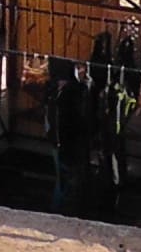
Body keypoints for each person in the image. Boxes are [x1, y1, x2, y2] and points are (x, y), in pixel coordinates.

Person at [45, 57, 88, 215]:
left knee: (64, 178)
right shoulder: (64, 96)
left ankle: (60, 209)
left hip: (63, 142)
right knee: (64, 179)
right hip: (64, 144)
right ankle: (59, 210)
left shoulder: (57, 94)